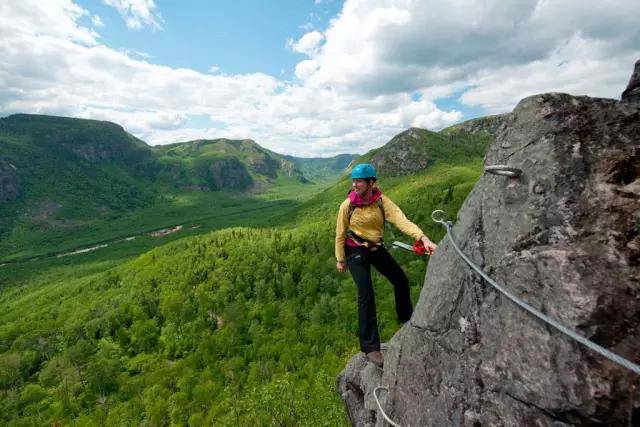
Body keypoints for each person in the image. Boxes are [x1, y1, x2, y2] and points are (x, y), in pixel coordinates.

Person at [335, 163, 437, 367]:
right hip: (354, 249)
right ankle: (370, 348)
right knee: (366, 293)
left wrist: (423, 238)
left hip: (374, 247)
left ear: (372, 183)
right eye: (354, 181)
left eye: (360, 181)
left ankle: (406, 322)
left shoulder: (381, 202)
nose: (355, 185)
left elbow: (401, 220)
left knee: (400, 280)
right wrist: (340, 259)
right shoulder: (348, 205)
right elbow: (339, 233)